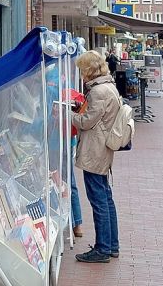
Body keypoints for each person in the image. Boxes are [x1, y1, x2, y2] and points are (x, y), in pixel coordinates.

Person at [69, 51, 121, 263]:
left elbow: (87, 122)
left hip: (95, 151)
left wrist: (68, 114)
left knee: (98, 200)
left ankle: (102, 248)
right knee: (106, 199)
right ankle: (111, 245)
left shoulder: (98, 92)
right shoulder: (109, 87)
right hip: (103, 149)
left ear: (89, 70)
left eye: (83, 70)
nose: (81, 75)